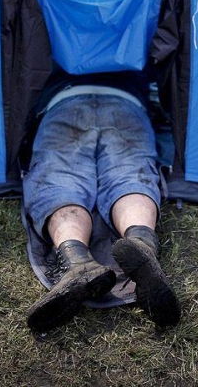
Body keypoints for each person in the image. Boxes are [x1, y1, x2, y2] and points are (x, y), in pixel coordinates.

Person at [22, 68, 181, 333]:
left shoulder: (49, 29)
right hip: (127, 102)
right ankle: (141, 243)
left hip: (64, 100)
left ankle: (76, 260)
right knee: (130, 173)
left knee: (59, 180)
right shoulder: (136, 29)